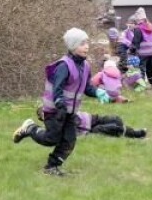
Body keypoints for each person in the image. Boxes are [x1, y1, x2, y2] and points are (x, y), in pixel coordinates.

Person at [11, 28, 108, 176]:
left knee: (69, 141)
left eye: (87, 43)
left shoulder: (86, 66)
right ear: (72, 45)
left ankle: (51, 167)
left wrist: (97, 92)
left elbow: (86, 88)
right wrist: (59, 104)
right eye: (82, 44)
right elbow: (58, 89)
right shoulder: (64, 65)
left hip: (70, 112)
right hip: (55, 111)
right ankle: (30, 128)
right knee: (51, 139)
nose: (87, 46)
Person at [31, 106, 147, 139]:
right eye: (44, 114)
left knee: (116, 119)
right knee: (112, 127)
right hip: (89, 130)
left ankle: (121, 132)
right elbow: (72, 128)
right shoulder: (54, 125)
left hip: (92, 118)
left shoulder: (61, 109)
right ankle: (136, 134)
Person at [128, 7, 152, 89]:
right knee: (151, 69)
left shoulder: (138, 28)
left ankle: (141, 85)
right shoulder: (151, 26)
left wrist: (131, 51)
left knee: (141, 69)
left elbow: (136, 42)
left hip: (142, 53)